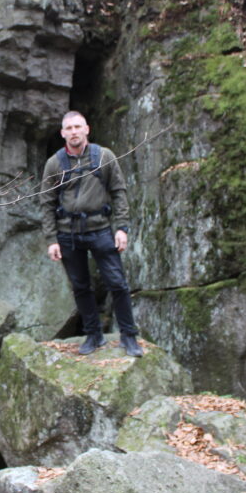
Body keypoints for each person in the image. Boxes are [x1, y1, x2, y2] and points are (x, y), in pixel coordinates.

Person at [41, 111, 143, 357]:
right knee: (80, 287)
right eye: (69, 128)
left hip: (100, 229)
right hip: (68, 234)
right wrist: (51, 239)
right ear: (62, 133)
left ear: (87, 129)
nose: (74, 132)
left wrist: (121, 228)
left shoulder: (104, 156)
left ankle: (129, 336)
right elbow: (46, 202)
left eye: (78, 127)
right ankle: (94, 336)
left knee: (117, 283)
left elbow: (118, 191)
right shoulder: (54, 164)